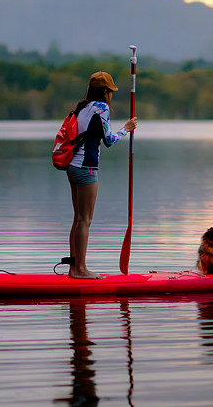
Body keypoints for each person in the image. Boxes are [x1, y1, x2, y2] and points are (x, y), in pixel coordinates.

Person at [67, 71, 137, 279]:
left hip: (72, 166)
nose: (111, 96)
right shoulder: (102, 108)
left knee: (78, 219)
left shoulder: (81, 107)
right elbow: (108, 140)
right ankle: (81, 270)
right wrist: (126, 129)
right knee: (85, 220)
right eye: (111, 92)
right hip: (87, 168)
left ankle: (74, 268)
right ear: (105, 92)